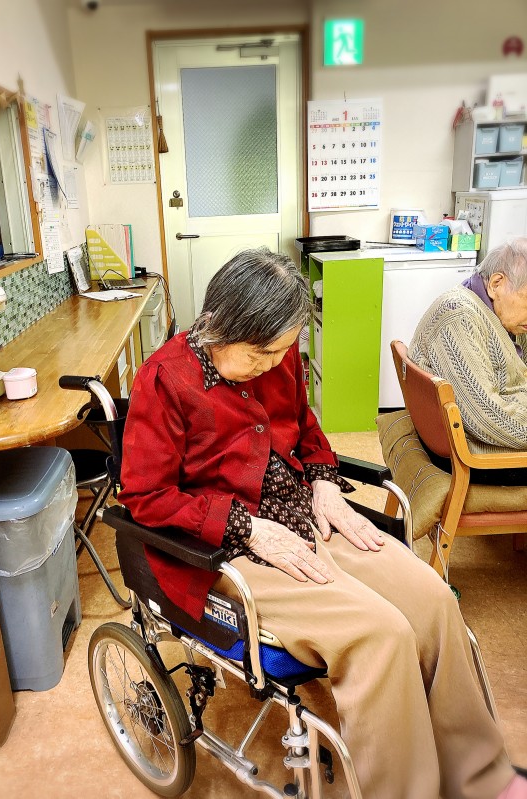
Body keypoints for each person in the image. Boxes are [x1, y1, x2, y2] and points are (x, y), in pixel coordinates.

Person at [119, 247, 525, 799]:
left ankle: (477, 774)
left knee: (433, 601)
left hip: (303, 512)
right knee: (380, 634)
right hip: (227, 545)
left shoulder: (278, 353)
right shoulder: (166, 379)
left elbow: (304, 427)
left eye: (282, 352)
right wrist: (246, 528)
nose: (273, 365)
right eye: (260, 354)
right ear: (218, 327)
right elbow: (146, 495)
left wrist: (325, 481)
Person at [410, 238, 527, 464]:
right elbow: (486, 417)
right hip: (477, 450)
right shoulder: (458, 315)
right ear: (496, 284)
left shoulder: (507, 315)